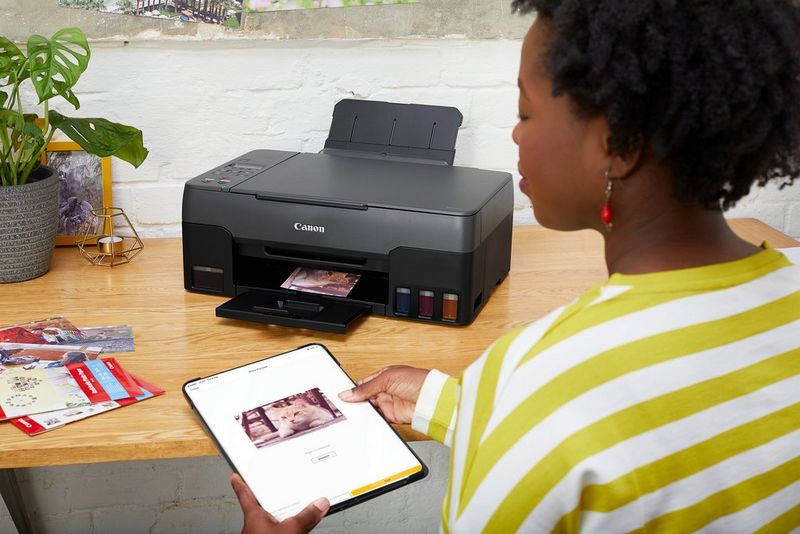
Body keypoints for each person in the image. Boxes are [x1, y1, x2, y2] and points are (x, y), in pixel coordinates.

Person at [231, 1, 800, 532]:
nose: (516, 132)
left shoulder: (545, 378)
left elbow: (566, 419)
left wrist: (513, 398)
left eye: (527, 110)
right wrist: (463, 403)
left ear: (619, 144)